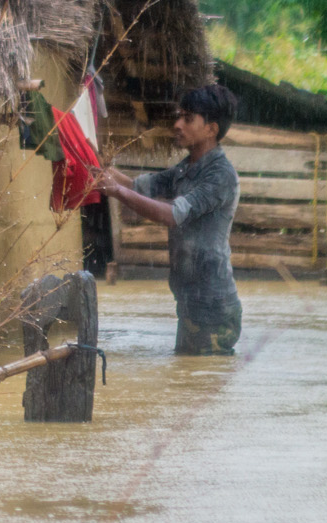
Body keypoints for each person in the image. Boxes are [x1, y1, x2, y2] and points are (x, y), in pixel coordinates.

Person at [99, 83, 242, 354]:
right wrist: (100, 167)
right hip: (191, 302)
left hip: (214, 307)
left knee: (202, 383)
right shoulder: (185, 169)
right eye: (179, 116)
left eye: (187, 119)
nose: (177, 124)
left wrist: (115, 191)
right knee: (190, 381)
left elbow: (172, 215)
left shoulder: (220, 175)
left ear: (211, 129)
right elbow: (136, 186)